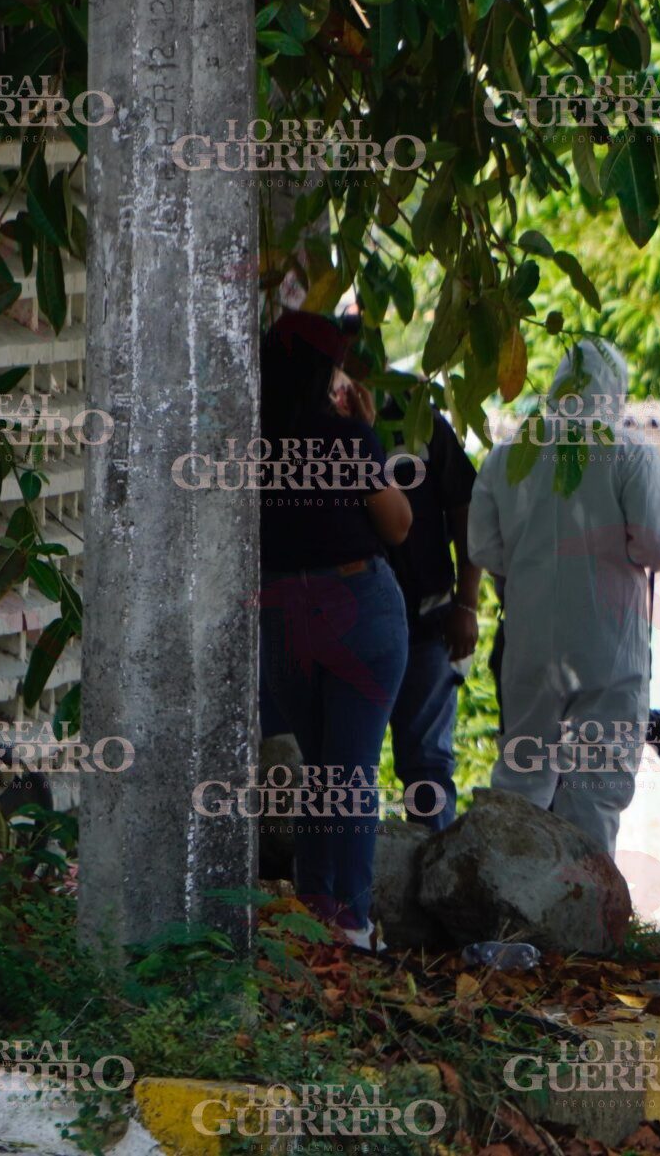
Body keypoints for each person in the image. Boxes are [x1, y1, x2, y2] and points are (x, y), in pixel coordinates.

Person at [469, 337, 660, 855]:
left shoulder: (506, 454)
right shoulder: (628, 451)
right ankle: (584, 923)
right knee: (596, 791)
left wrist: (532, 570)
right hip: (608, 649)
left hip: (529, 645)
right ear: (617, 390)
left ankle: (508, 910)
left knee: (521, 780)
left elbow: (484, 547)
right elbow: (656, 544)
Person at [256, 311, 413, 947]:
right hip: (356, 606)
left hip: (282, 610)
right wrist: (366, 436)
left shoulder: (250, 439)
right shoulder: (346, 438)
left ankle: (314, 909)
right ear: (324, 372)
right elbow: (397, 524)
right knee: (350, 773)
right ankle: (352, 920)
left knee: (321, 767)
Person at [336, 317, 480, 830]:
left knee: (427, 768)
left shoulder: (419, 419)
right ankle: (359, 894)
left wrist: (467, 602)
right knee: (348, 770)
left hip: (426, 619)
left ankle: (434, 882)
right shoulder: (319, 427)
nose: (355, 370)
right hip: (351, 625)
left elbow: (466, 505)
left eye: (363, 358)